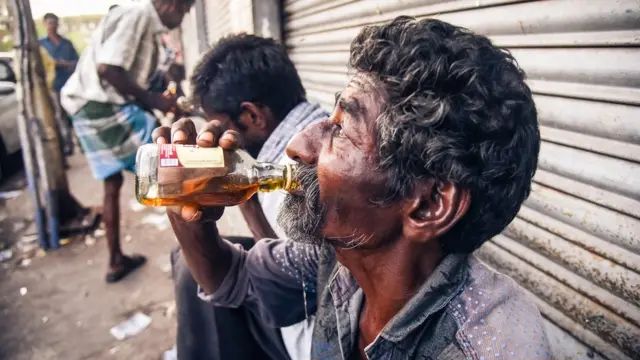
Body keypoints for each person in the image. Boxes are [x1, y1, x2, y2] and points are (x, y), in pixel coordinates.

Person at [156, 16, 552, 360]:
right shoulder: (340, 255)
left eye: (342, 130)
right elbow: (232, 279)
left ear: (428, 205)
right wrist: (187, 205)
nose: (298, 146)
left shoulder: (491, 346)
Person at [170, 34, 328, 360]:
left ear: (252, 116)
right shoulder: (320, 123)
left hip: (310, 335)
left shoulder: (297, 172)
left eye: (218, 123)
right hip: (301, 286)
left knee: (193, 269)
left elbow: (292, 295)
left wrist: (244, 196)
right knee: (191, 253)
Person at [61, 0, 195, 283]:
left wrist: (161, 97)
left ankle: (115, 262)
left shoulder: (147, 27)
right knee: (172, 174)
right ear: (171, 4)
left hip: (86, 108)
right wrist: (153, 101)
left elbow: (136, 75)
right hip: (101, 107)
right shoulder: (137, 15)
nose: (182, 18)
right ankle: (199, 259)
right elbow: (109, 68)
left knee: (112, 185)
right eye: (184, 10)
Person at [40, 12, 79, 157]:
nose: (52, 25)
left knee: (75, 113)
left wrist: (64, 64)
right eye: (49, 23)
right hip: (54, 86)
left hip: (70, 85)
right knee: (59, 117)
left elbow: (77, 61)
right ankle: (68, 145)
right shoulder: (41, 45)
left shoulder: (66, 43)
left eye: (54, 22)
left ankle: (80, 143)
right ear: (45, 24)